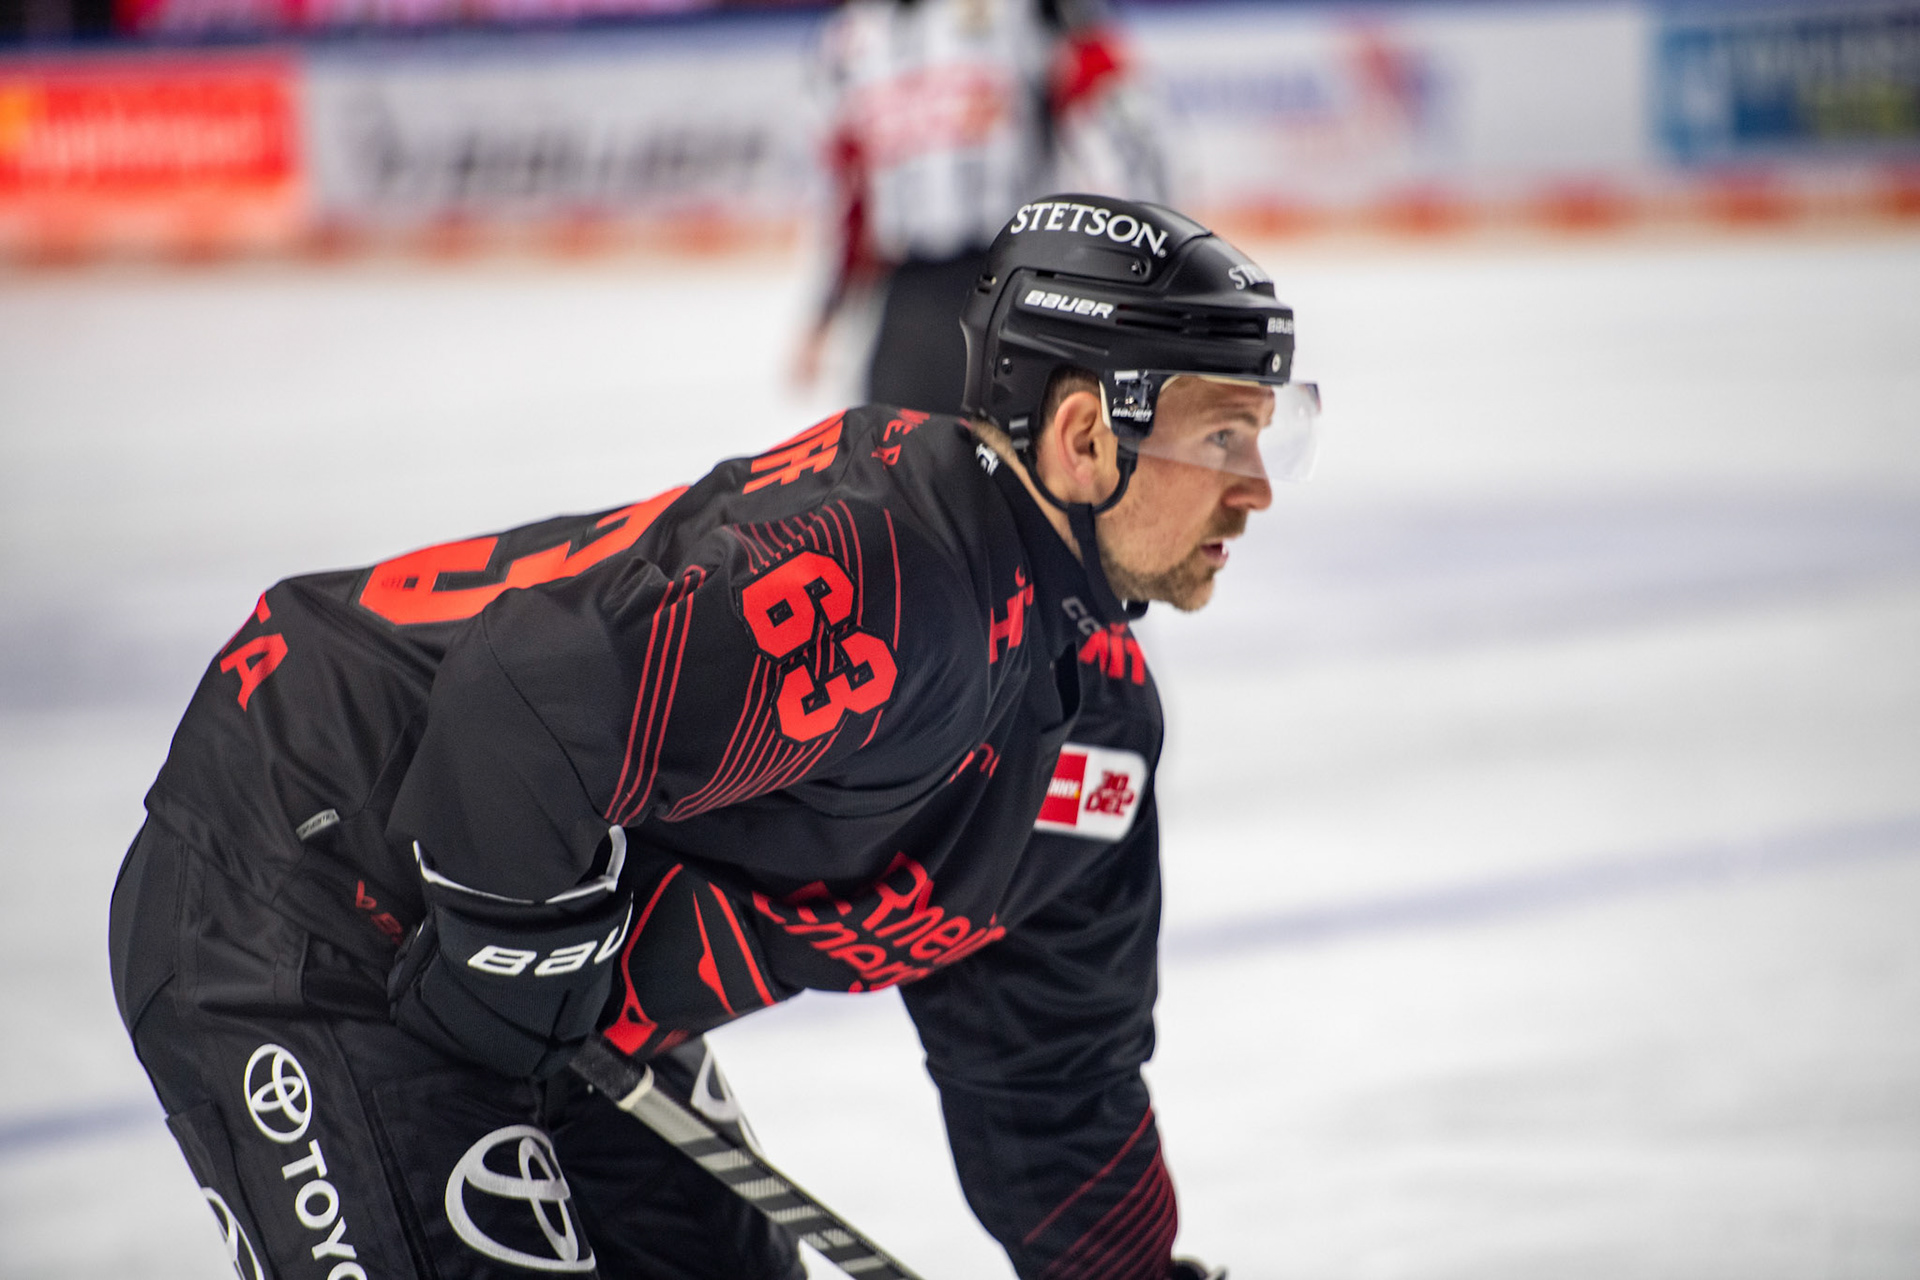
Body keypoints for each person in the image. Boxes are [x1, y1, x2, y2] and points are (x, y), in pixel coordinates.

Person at [108, 193, 1318, 1280]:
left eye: (1270, 434)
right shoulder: (893, 575)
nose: (1257, 484)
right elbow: (524, 703)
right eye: (1222, 435)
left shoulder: (1095, 734)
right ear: (1085, 438)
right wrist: (517, 969)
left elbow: (1048, 1076)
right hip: (311, 864)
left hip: (544, 955)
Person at [793, 0, 1169, 415]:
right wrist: (824, 313)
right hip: (909, 297)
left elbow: (1119, 135)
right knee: (894, 442)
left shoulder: (1028, 14)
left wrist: (1147, 272)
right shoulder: (849, 41)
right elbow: (851, 196)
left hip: (1010, 280)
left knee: (1016, 439)